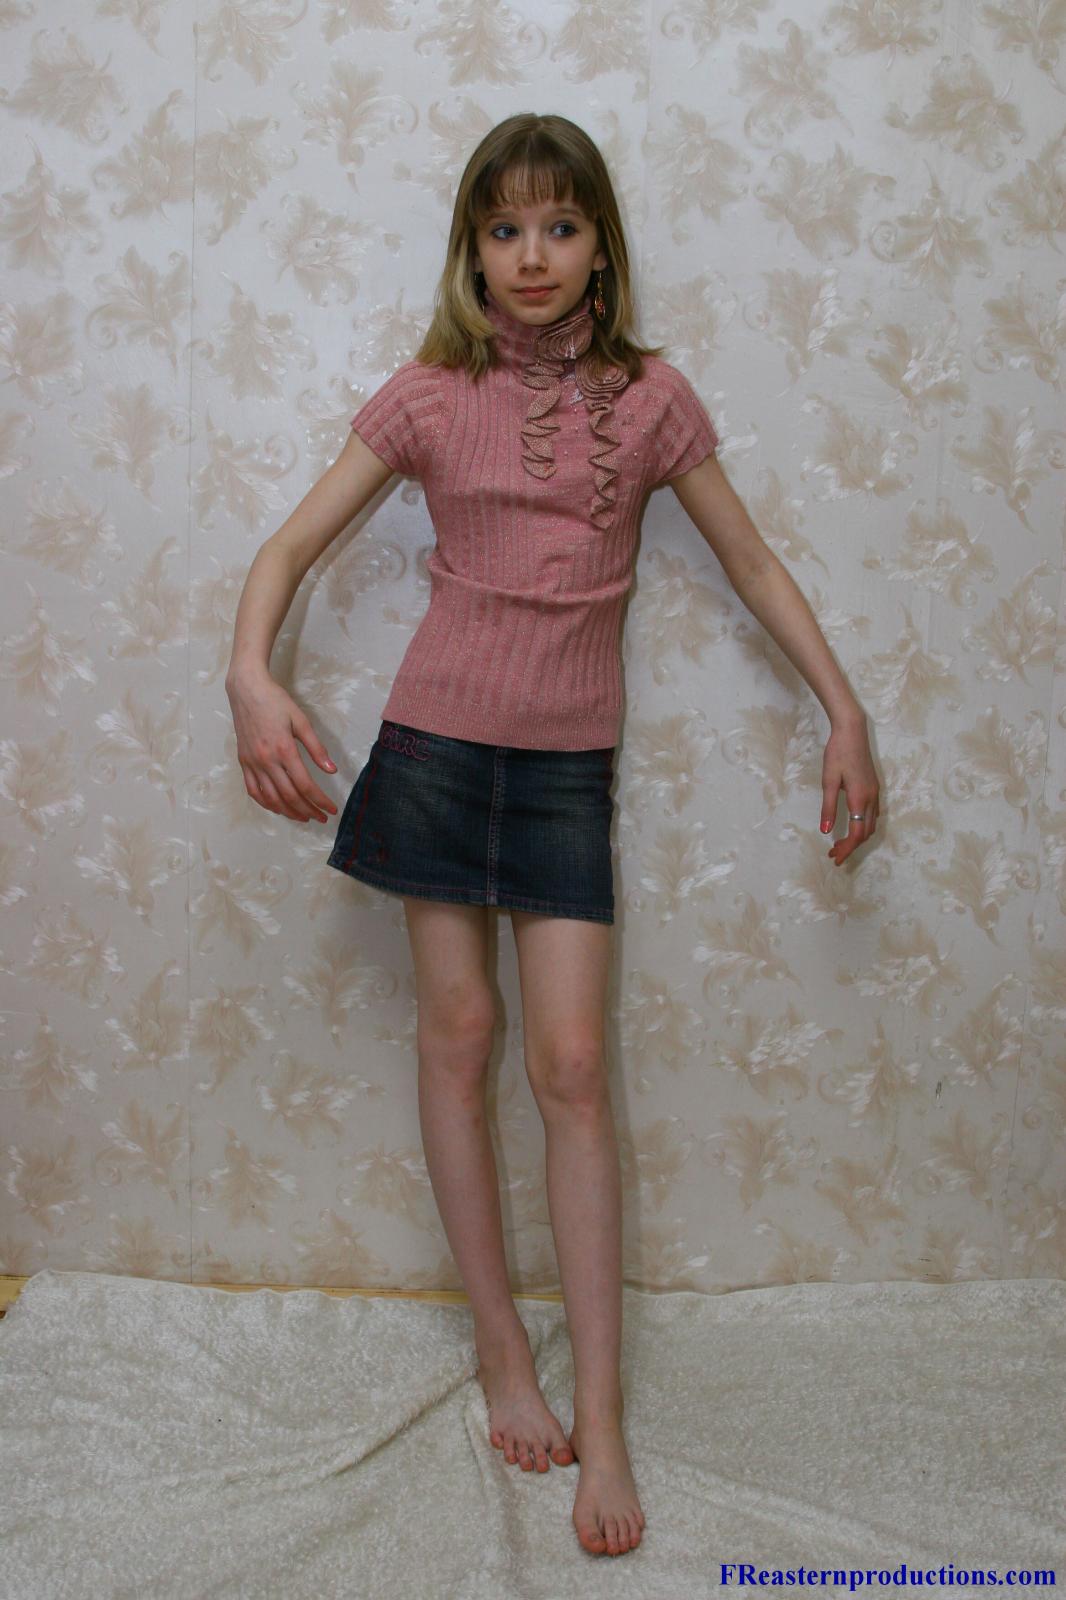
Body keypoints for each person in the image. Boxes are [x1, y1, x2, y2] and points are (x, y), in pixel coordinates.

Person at [225, 112, 880, 1559]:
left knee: (572, 1068)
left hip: (566, 772)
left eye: (561, 226)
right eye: (506, 227)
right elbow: (287, 548)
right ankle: (500, 1353)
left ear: (601, 246)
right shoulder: (427, 395)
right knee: (457, 1039)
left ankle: (607, 1416)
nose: (533, 255)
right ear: (472, 249)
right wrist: (249, 676)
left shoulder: (651, 400)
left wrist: (841, 709)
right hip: (434, 751)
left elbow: (751, 559)